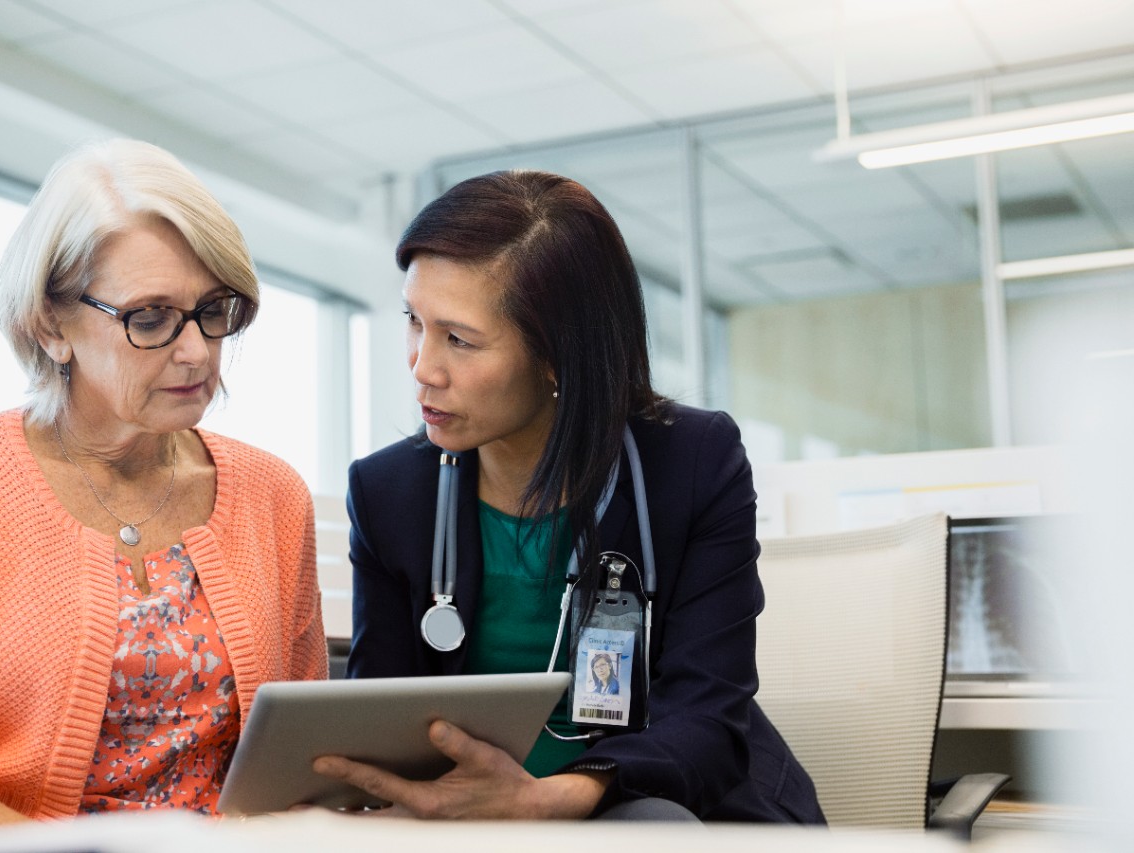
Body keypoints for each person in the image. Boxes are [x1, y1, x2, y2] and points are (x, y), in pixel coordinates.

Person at [320, 170, 824, 823]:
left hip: (646, 801)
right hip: (470, 819)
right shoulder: (389, 492)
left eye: (459, 339)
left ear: (559, 354)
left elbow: (704, 724)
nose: (422, 366)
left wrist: (547, 799)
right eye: (414, 321)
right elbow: (383, 717)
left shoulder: (693, 463)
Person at [0, 139, 327, 835]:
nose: (196, 350)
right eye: (151, 317)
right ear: (51, 327)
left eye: (213, 310)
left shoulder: (274, 495)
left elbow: (299, 760)